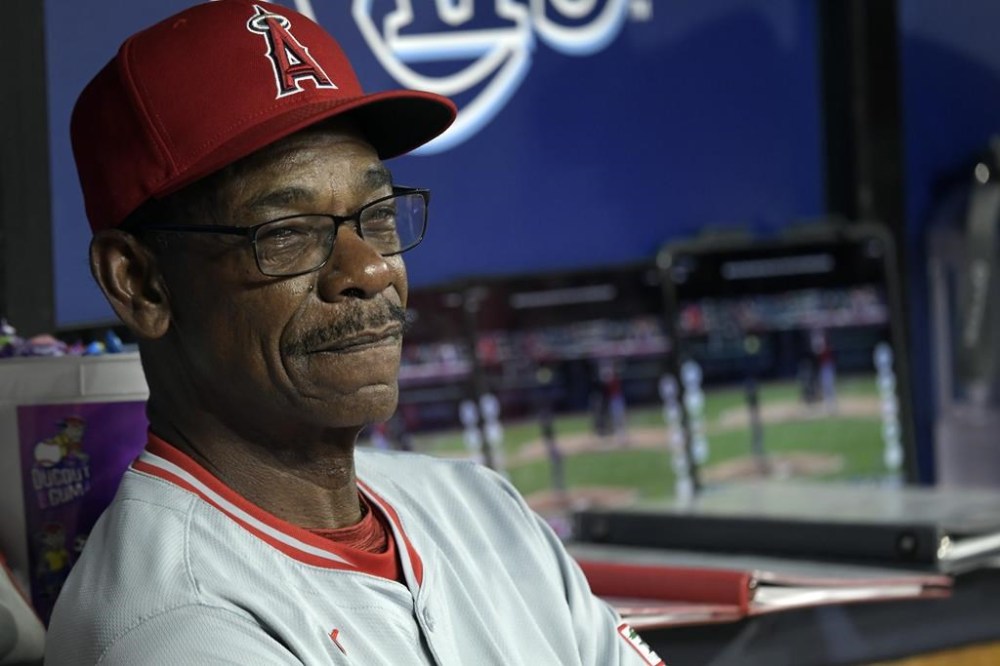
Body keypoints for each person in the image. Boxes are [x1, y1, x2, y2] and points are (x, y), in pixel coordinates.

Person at [44, 2, 663, 665]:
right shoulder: (173, 629)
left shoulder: (479, 507)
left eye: (377, 214)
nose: (368, 268)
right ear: (141, 283)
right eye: (285, 233)